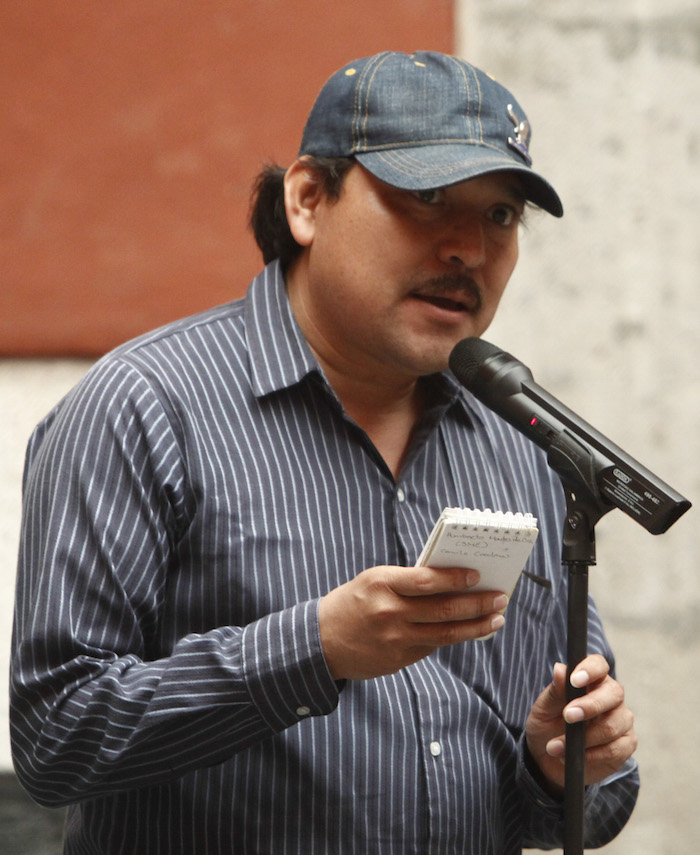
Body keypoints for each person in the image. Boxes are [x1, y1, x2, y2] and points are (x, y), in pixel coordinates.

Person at [10, 51, 638, 854]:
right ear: (308, 199)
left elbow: (585, 799)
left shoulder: (521, 444)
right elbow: (57, 739)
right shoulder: (144, 406)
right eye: (427, 198)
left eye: (501, 216)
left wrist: (564, 765)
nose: (468, 249)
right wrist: (313, 649)